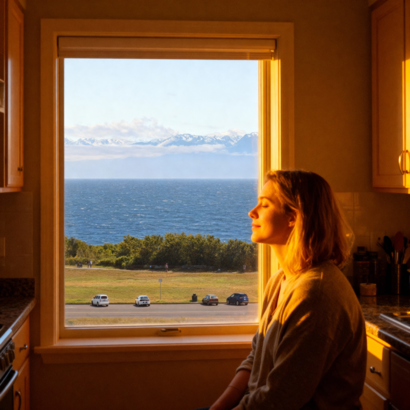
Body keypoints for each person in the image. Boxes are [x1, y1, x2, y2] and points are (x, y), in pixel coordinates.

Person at [196, 170, 366, 410]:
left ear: (293, 218)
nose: (251, 212)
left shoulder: (315, 294)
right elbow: (256, 359)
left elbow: (279, 399)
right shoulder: (280, 281)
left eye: (264, 205)